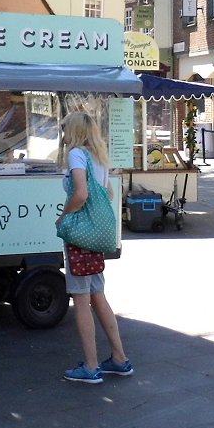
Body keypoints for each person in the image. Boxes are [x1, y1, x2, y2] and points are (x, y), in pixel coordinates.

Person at [55, 110, 131, 385]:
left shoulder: (77, 154)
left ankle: (90, 365)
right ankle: (120, 358)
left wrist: (64, 216)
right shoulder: (99, 157)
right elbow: (108, 192)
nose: (63, 135)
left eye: (65, 129)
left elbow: (81, 193)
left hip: (80, 235)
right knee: (98, 294)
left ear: (73, 130)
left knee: (81, 299)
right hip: (97, 235)